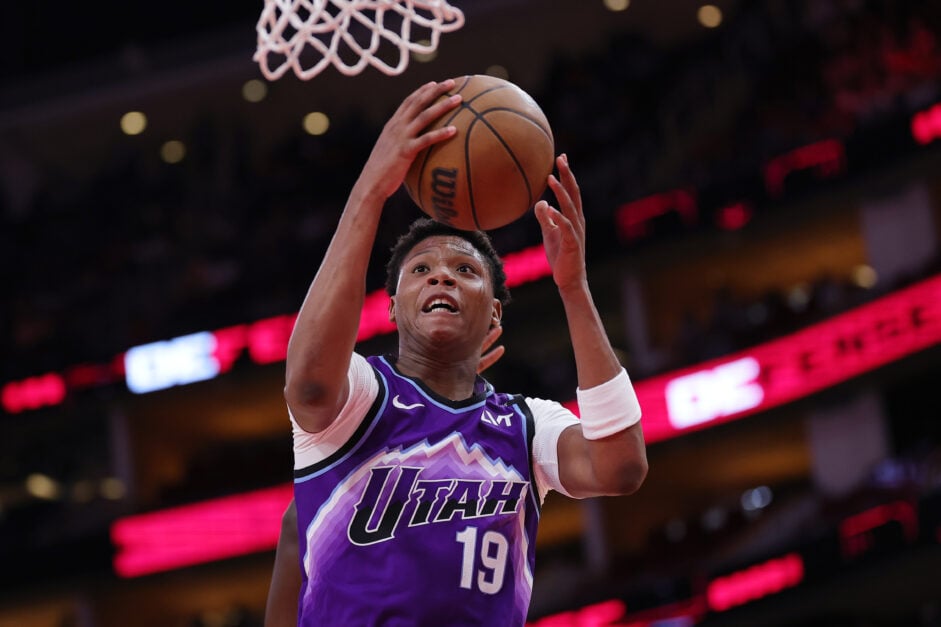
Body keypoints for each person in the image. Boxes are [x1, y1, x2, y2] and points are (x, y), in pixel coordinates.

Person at [279, 79, 648, 626]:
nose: (442, 278)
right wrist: (370, 191)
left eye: (465, 271)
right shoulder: (361, 395)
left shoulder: (526, 424)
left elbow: (620, 467)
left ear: (495, 312)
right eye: (421, 271)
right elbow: (308, 386)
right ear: (393, 307)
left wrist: (573, 287)